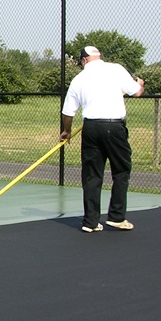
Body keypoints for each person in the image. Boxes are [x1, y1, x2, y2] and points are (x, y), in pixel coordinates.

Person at [60, 45, 145, 233]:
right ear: (99, 57)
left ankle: (90, 222)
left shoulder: (78, 79)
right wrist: (140, 83)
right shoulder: (116, 69)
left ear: (84, 60)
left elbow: (68, 112)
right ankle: (116, 217)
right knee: (121, 170)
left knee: (91, 174)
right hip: (114, 127)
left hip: (91, 128)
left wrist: (66, 131)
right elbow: (137, 92)